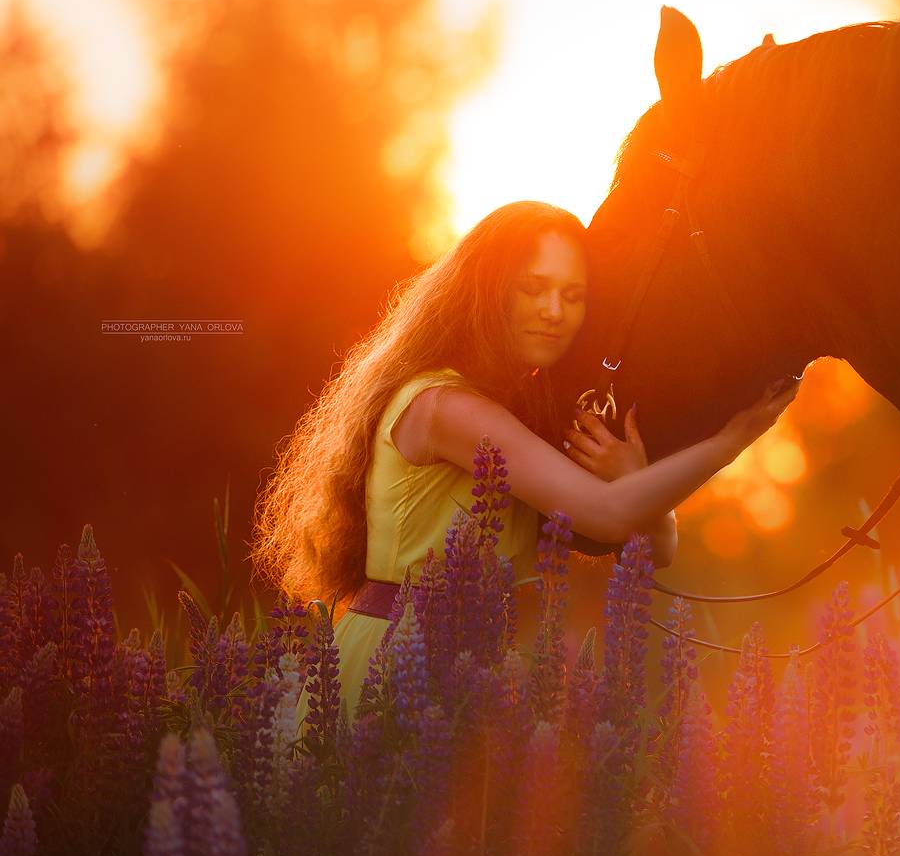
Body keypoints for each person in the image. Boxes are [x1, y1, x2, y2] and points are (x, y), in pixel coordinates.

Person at [249, 200, 799, 729]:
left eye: (574, 295)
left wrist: (635, 480)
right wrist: (733, 439)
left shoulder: (518, 412)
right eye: (532, 288)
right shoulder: (447, 408)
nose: (554, 312)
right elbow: (608, 516)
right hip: (396, 660)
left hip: (479, 668)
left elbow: (657, 549)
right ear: (485, 291)